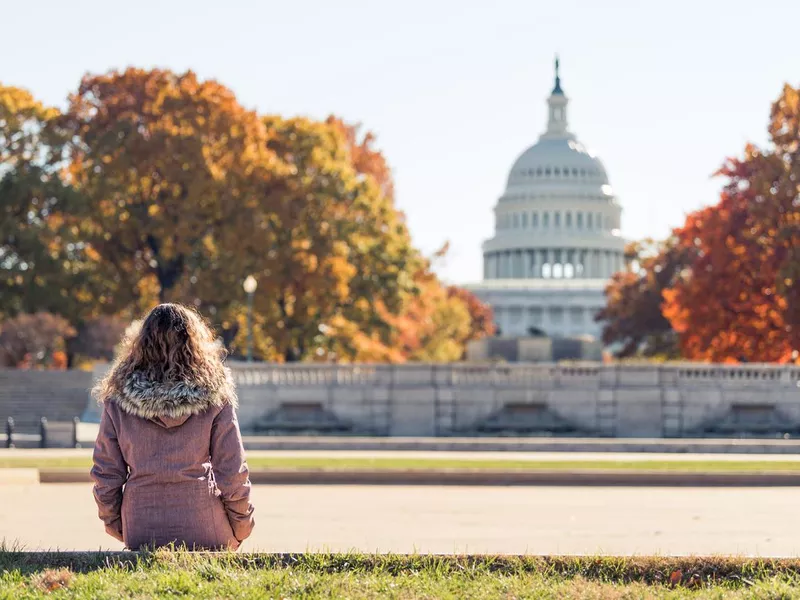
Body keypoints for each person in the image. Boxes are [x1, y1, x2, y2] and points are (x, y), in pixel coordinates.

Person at [91, 303, 255, 550]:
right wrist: (242, 526)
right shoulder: (215, 396)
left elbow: (106, 472)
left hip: (140, 524)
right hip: (205, 523)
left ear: (141, 343)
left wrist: (115, 522)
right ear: (195, 344)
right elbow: (232, 471)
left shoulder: (118, 399)